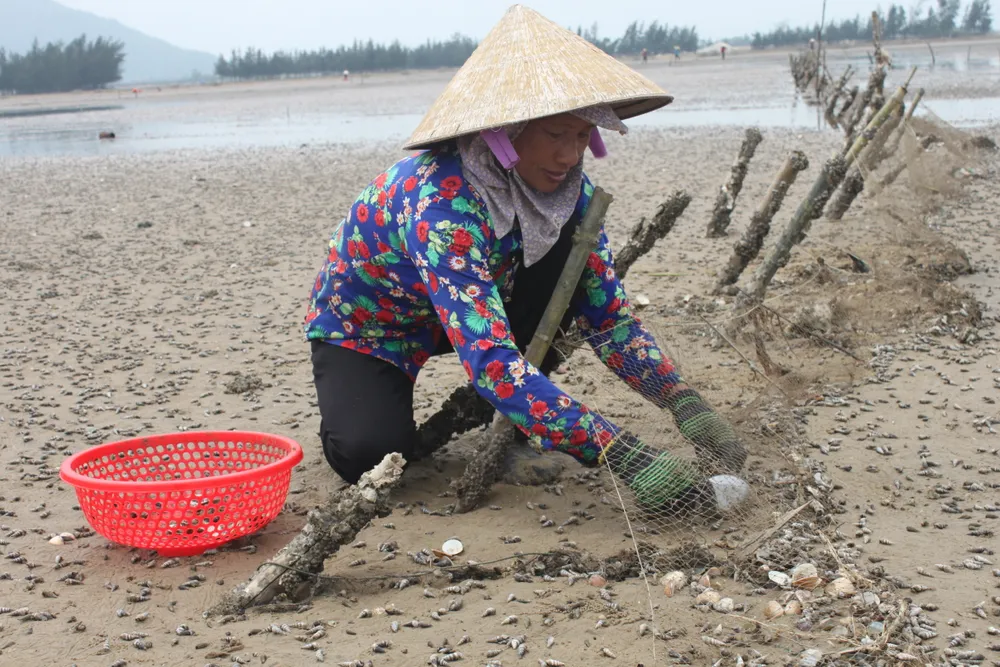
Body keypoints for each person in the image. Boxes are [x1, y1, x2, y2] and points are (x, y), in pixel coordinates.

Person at [303, 5, 749, 513]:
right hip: (374, 326)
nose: (569, 156)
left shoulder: (570, 198)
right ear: (506, 133)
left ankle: (516, 420)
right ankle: (462, 407)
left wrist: (684, 405)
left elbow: (609, 320)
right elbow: (492, 361)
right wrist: (624, 455)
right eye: (556, 135)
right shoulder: (441, 206)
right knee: (370, 456)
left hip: (478, 307)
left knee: (566, 276)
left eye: (582, 136)